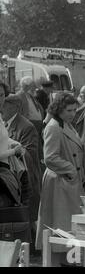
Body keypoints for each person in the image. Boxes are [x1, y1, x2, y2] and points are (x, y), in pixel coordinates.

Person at [36, 92, 85, 266]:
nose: (73, 113)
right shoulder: (54, 126)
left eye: (74, 110)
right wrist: (71, 169)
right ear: (59, 109)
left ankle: (70, 262)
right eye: (69, 110)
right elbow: (49, 157)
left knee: (70, 227)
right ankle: (56, 263)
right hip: (59, 183)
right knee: (58, 228)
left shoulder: (66, 124)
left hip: (67, 183)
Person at [2, 95, 42, 226]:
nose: (1, 106)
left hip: (24, 184)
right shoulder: (4, 123)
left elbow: (29, 156)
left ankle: (30, 246)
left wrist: (13, 150)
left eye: (4, 103)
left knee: (24, 224)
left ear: (15, 107)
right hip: (10, 184)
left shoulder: (26, 127)